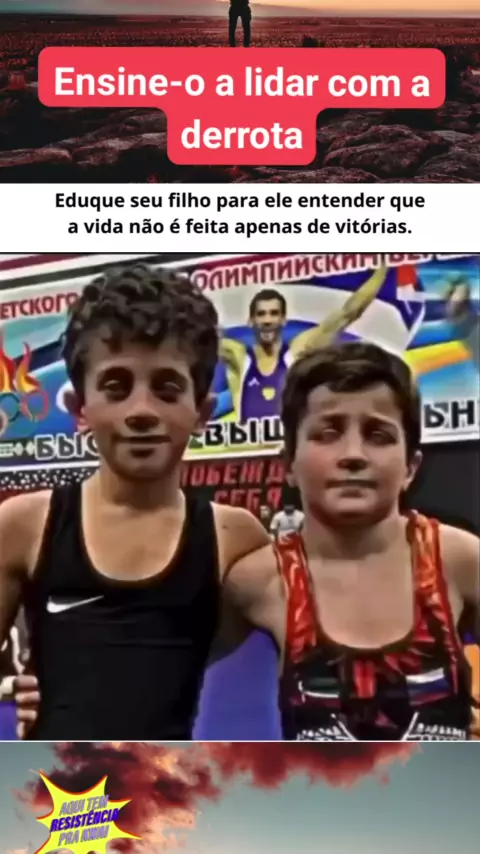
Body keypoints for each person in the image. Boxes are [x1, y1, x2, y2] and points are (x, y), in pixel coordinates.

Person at [14, 342, 480, 741]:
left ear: (411, 466)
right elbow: (154, 667)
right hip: (326, 809)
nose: (353, 455)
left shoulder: (458, 561)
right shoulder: (259, 580)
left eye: (378, 435)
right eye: (328, 433)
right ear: (288, 463)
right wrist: (54, 691)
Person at [1, 263, 269, 740]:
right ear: (80, 410)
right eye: (116, 386)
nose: (141, 411)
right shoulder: (24, 527)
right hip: (49, 778)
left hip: (160, 778)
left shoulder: (236, 539)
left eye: (166, 388)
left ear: (202, 411)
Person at [219, 267, 387, 423]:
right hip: (247, 446)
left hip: (288, 445)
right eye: (261, 314)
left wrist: (383, 268)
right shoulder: (238, 357)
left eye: (274, 313)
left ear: (283, 320)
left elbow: (348, 313)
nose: (267, 320)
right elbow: (203, 335)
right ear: (251, 320)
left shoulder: (296, 352)